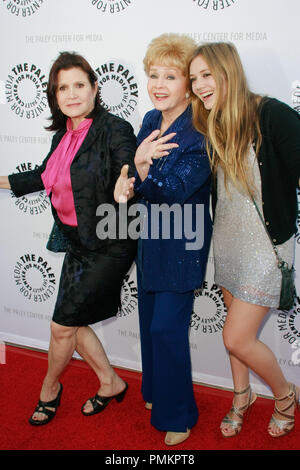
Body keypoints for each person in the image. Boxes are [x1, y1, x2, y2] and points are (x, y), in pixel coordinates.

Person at [0, 52, 137, 425]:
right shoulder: (63, 135)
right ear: (55, 95)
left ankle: (49, 388)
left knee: (62, 326)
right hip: (77, 244)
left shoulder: (114, 128)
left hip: (109, 244)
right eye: (63, 87)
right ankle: (110, 382)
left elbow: (127, 164)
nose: (72, 94)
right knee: (72, 324)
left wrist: (127, 183)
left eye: (80, 85)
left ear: (95, 87)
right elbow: (42, 176)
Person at [189, 41, 300, 438]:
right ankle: (242, 395)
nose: (200, 86)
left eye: (207, 75)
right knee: (237, 340)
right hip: (228, 239)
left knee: (235, 336)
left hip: (265, 246)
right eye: (194, 79)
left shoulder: (272, 114)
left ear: (228, 70)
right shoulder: (212, 121)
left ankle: (285, 395)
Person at [114, 33, 212, 446]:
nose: (158, 84)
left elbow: (174, 189)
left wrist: (140, 170)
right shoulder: (152, 120)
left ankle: (179, 415)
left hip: (183, 241)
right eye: (154, 74)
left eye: (170, 76)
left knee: (166, 330)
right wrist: (126, 180)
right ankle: (156, 391)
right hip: (151, 235)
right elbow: (136, 176)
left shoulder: (200, 131)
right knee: (148, 318)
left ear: (187, 83)